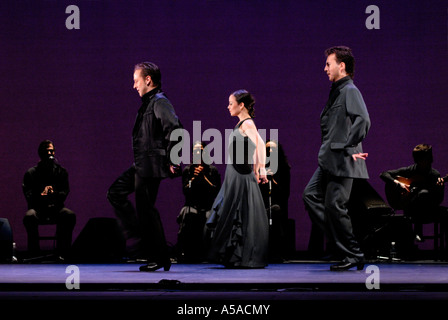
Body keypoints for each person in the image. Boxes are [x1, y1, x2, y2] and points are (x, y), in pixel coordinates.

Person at [107, 62, 182, 272]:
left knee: (147, 210)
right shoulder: (150, 102)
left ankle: (158, 257)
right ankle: (145, 243)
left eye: (136, 81)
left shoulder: (159, 101)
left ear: (148, 80)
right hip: (142, 164)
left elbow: (176, 130)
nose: (134, 86)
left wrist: (173, 160)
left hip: (151, 165)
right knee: (116, 192)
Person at [302, 46, 371, 271]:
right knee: (311, 195)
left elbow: (363, 120)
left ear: (341, 66)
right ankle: (344, 247)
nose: (325, 68)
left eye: (328, 64)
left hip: (343, 160)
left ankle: (354, 254)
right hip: (330, 160)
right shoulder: (337, 91)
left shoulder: (350, 90)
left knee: (335, 205)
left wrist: (349, 144)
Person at [206, 89, 269, 268]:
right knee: (236, 212)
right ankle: (236, 256)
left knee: (239, 213)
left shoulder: (247, 124)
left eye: (231, 103)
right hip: (235, 173)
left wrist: (261, 168)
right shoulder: (243, 123)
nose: (228, 107)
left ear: (241, 105)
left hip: (240, 175)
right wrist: (257, 168)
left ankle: (241, 256)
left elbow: (259, 145)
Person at [380, 144, 446, 242]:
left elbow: (438, 199)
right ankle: (415, 234)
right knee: (421, 195)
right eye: (424, 160)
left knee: (423, 194)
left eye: (429, 159)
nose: (427, 163)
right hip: (409, 208)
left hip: (427, 209)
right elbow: (383, 174)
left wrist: (440, 188)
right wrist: (398, 184)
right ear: (417, 160)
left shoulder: (434, 174)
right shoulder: (410, 171)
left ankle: (417, 231)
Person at [22, 139, 76, 259]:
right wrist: (43, 195)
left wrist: (53, 195)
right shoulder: (31, 173)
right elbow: (29, 196)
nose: (50, 154)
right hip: (38, 209)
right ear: (41, 153)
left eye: (52, 151)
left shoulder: (61, 172)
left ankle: (63, 252)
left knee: (69, 215)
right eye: (47, 151)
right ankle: (34, 253)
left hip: (56, 208)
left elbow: (64, 192)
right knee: (29, 216)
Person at [176, 141, 221, 262]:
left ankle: (210, 253)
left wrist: (204, 178)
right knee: (189, 214)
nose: (198, 153)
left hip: (208, 206)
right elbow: (186, 190)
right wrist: (193, 179)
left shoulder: (212, 170)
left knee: (209, 217)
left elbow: (216, 191)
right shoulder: (188, 170)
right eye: (195, 151)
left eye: (200, 150)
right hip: (192, 205)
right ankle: (185, 252)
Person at [258, 140, 291, 261]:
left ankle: (278, 252)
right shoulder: (260, 168)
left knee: (277, 214)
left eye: (273, 149)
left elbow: (285, 192)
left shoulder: (283, 168)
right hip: (262, 204)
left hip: (278, 205)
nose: (270, 152)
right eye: (268, 149)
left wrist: (273, 180)